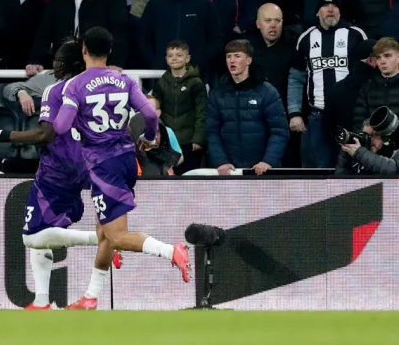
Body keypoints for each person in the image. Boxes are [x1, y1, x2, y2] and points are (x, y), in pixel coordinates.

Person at [52, 26, 191, 307]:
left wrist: (72, 118)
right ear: (109, 51)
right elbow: (150, 113)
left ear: (84, 51)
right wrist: (150, 136)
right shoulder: (123, 80)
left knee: (115, 236)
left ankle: (171, 251)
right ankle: (90, 297)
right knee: (104, 232)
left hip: (104, 165)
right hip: (127, 159)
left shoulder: (75, 85)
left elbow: (61, 126)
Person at [0, 40, 121, 310]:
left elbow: (44, 134)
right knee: (44, 235)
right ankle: (41, 301)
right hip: (92, 164)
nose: (55, 66)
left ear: (74, 63)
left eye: (60, 62)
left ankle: (99, 238)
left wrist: (6, 135)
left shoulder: (56, 88)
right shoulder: (102, 85)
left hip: (56, 170)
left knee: (32, 235)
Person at [288, 0, 368, 168]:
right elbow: (296, 78)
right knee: (322, 169)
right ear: (317, 12)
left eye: (335, 6)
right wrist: (295, 112)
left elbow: (366, 75)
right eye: (325, 6)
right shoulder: (305, 38)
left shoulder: (356, 34)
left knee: (353, 168)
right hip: (318, 115)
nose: (330, 9)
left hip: (350, 115)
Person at [206, 39, 289, 174]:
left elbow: (279, 131)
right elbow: (211, 132)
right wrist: (221, 161)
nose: (232, 60)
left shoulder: (267, 91)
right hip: (229, 170)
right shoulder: (217, 94)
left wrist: (268, 161)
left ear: (248, 60)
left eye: (237, 56)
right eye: (228, 56)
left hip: (262, 168)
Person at [140, 0, 220, 71]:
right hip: (161, 74)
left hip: (195, 75)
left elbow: (216, 38)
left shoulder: (204, 4)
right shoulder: (156, 3)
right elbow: (143, 38)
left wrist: (199, 63)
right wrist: (156, 62)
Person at [246, 3, 300, 166]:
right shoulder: (247, 47)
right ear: (258, 24)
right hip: (254, 117)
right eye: (268, 20)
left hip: (285, 118)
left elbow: (298, 83)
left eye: (277, 21)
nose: (273, 25)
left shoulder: (294, 46)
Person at [152, 41, 208, 173]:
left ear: (187, 58)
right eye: (170, 55)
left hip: (190, 142)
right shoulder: (161, 82)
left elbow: (202, 111)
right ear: (166, 59)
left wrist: (198, 138)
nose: (174, 58)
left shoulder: (196, 83)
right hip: (168, 143)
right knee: (168, 179)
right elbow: (154, 107)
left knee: (189, 179)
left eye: (179, 55)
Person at [352, 37, 399, 131]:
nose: (382, 61)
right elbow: (358, 122)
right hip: (373, 143)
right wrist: (366, 131)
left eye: (387, 56)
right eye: (378, 57)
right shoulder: (367, 87)